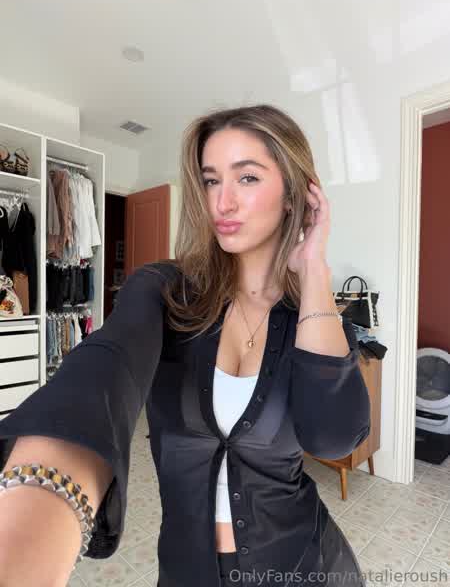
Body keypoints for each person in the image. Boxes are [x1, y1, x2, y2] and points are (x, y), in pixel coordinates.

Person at [0, 104, 370, 587]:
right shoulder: (165, 290)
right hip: (187, 571)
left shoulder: (312, 319)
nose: (223, 202)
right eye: (212, 180)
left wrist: (314, 269)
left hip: (307, 566)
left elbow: (334, 438)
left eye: (248, 178)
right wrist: (39, 494)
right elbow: (106, 366)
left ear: (294, 195)